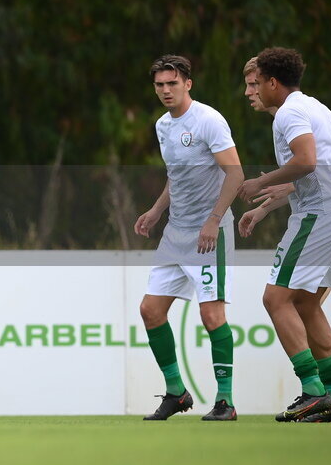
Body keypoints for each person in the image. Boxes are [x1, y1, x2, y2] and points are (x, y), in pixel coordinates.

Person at [239, 55, 331, 421]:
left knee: (275, 298)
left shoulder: (287, 114)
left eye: (255, 83)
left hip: (320, 215)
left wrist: (259, 182)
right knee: (306, 304)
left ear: (272, 82)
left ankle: (314, 390)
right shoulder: (315, 106)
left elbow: (307, 161)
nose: (249, 91)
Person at [134, 55, 244, 421]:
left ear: (188, 84)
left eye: (172, 83)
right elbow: (175, 176)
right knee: (150, 310)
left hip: (209, 234)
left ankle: (225, 402)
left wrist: (213, 220)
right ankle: (177, 393)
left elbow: (235, 174)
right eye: (160, 85)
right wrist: (155, 210)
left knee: (212, 315)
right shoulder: (163, 125)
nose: (166, 90)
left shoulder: (208, 120)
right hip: (176, 233)